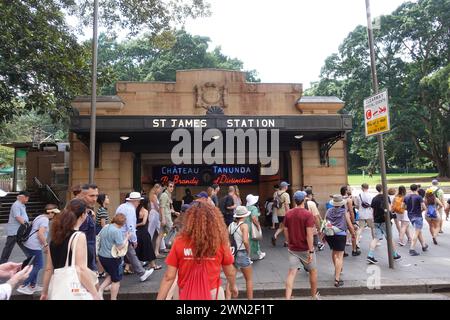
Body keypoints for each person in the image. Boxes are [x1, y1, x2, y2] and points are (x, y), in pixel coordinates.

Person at [156, 199, 238, 300]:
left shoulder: (179, 241)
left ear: (189, 220)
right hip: (212, 293)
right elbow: (229, 271)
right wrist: (233, 287)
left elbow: (169, 277)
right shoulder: (219, 242)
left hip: (184, 293)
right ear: (214, 220)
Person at [40, 199, 101, 300]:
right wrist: (95, 293)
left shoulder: (55, 238)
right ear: (83, 215)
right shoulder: (79, 236)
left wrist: (44, 292)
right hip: (75, 290)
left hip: (57, 289)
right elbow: (81, 269)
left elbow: (48, 269)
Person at [16, 204, 60, 295]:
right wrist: (46, 245)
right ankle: (24, 286)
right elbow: (40, 234)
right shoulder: (45, 220)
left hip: (29, 243)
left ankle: (33, 285)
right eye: (54, 213)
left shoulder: (40, 217)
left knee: (35, 265)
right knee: (39, 265)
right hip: (34, 245)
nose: (55, 215)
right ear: (50, 212)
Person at [284, 191, 319, 300]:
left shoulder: (288, 213)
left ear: (294, 200)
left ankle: (287, 298)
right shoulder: (307, 214)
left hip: (293, 248)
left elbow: (285, 229)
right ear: (304, 200)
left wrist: (289, 241)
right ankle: (313, 296)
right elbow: (309, 235)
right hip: (305, 249)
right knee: (312, 271)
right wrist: (311, 250)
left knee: (291, 273)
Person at [115, 192, 154, 282]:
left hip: (118, 233)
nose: (139, 203)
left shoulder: (121, 206)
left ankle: (141, 273)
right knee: (123, 256)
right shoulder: (131, 209)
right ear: (135, 201)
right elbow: (131, 226)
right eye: (138, 201)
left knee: (130, 254)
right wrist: (134, 239)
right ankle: (115, 277)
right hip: (125, 235)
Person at [324, 195, 356, 288]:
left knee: (334, 253)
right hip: (340, 235)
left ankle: (337, 269)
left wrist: (323, 235)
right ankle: (337, 279)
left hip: (330, 235)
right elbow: (349, 225)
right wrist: (353, 234)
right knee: (339, 256)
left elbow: (325, 222)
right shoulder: (344, 212)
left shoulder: (329, 211)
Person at [97, 213, 130, 300]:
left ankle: (100, 290)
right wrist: (127, 237)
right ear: (123, 223)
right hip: (112, 258)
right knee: (116, 280)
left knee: (111, 275)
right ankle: (113, 298)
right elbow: (120, 246)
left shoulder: (106, 227)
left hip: (102, 256)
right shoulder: (117, 231)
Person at [366, 184, 401, 264]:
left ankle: (370, 255)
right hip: (384, 221)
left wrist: (373, 219)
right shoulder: (386, 197)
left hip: (376, 220)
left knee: (376, 238)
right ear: (383, 188)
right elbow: (389, 209)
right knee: (390, 238)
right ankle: (395, 254)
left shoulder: (374, 198)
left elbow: (373, 210)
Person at [226, 206, 253, 300]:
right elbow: (245, 241)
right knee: (249, 280)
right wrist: (248, 251)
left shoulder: (230, 225)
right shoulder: (244, 226)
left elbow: (227, 240)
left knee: (231, 280)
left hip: (232, 254)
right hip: (242, 253)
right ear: (244, 216)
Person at [0, 191, 30, 263]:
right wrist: (26, 225)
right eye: (27, 197)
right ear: (22, 197)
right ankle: (2, 262)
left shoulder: (21, 205)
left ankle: (30, 257)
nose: (28, 199)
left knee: (23, 244)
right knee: (9, 247)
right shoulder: (16, 205)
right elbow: (17, 217)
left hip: (19, 230)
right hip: (14, 231)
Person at [76, 183, 99, 271]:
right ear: (82, 195)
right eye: (91, 196)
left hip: (88, 260)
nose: (95, 199)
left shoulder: (86, 211)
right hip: (83, 263)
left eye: (96, 196)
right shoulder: (78, 212)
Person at [135, 196, 160, 270]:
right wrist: (137, 225)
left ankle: (134, 266)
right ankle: (153, 265)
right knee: (148, 248)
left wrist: (135, 225)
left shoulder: (135, 210)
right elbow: (143, 222)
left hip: (136, 231)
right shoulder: (145, 211)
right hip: (143, 231)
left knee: (137, 249)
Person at [404, 184, 428, 256]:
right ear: (417, 189)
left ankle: (424, 245)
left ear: (410, 189)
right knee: (416, 232)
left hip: (410, 216)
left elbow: (403, 207)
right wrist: (421, 211)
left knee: (418, 231)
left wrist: (409, 209)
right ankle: (412, 249)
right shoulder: (419, 197)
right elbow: (424, 207)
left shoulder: (406, 197)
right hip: (417, 215)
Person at [340, 185, 360, 257]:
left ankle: (343, 251)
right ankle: (354, 250)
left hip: (340, 219)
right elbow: (351, 211)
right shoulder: (348, 200)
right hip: (347, 218)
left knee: (343, 234)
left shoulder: (339, 199)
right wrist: (353, 221)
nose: (350, 190)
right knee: (353, 234)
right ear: (346, 191)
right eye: (348, 189)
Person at [354, 183, 375, 248]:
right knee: (372, 228)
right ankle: (374, 241)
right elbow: (373, 206)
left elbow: (356, 204)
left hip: (361, 213)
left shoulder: (359, 195)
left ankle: (356, 241)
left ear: (362, 188)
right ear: (368, 188)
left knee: (360, 228)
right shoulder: (371, 196)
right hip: (369, 213)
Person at [245, 194, 265, 261]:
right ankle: (257, 254)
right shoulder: (254, 208)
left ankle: (253, 255)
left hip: (245, 225)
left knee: (248, 241)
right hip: (252, 226)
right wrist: (258, 225)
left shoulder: (245, 208)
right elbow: (254, 218)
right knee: (255, 240)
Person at [272, 181, 291, 247]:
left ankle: (275, 235)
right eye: (287, 186)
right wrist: (289, 213)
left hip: (278, 213)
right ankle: (287, 242)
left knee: (281, 226)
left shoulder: (275, 193)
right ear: (285, 187)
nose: (287, 187)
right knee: (286, 228)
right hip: (285, 213)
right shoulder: (286, 194)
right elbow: (286, 205)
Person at [148, 184, 163, 257]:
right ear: (156, 189)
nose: (160, 190)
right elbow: (157, 207)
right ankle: (147, 247)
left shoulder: (154, 195)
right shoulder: (154, 196)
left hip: (155, 213)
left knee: (160, 230)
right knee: (151, 231)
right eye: (159, 189)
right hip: (154, 213)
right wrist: (161, 214)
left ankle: (162, 247)